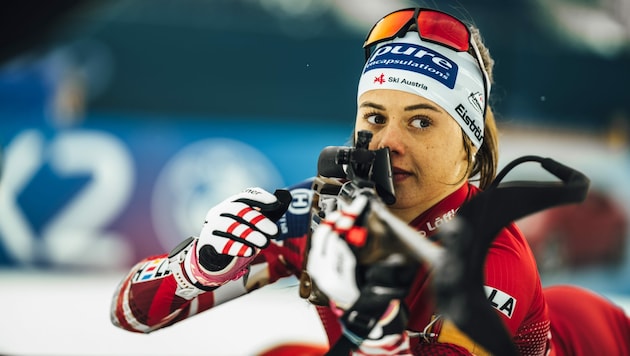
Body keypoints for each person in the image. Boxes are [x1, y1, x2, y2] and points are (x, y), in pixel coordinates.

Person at [110, 7, 630, 355]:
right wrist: (196, 267)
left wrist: (366, 320)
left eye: (421, 121)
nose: (386, 143)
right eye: (375, 117)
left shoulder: (492, 259)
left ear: (468, 145)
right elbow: (130, 315)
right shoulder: (324, 211)